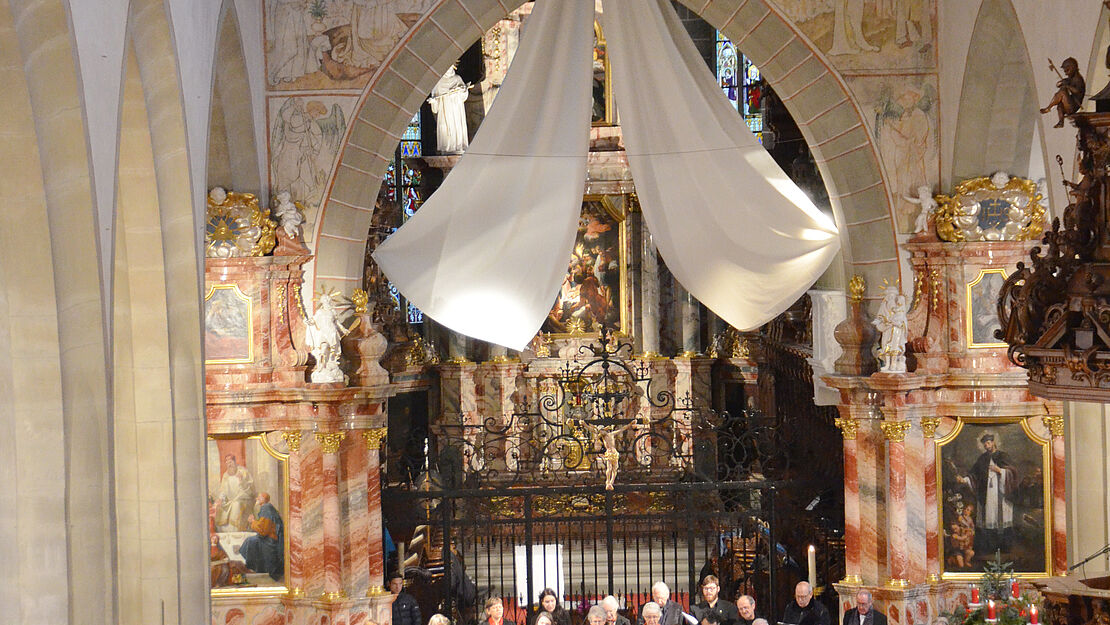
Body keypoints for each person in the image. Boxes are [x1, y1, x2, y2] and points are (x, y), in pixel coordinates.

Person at [958, 433, 1019, 554]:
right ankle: (987, 547)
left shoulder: (1003, 456)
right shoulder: (982, 458)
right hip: (986, 494)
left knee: (1000, 518)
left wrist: (1000, 470)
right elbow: (973, 475)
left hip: (1001, 494)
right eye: (984, 444)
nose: (986, 445)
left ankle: (1004, 546)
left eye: (988, 443)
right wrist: (964, 479)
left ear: (993, 442)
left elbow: (1013, 471)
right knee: (988, 518)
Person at [238, 492, 284, 580]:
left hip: (270, 540)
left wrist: (252, 521)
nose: (256, 499)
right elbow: (263, 525)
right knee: (251, 540)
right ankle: (255, 567)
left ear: (263, 500)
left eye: (258, 497)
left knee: (250, 541)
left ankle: (254, 568)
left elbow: (263, 530)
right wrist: (254, 522)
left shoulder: (266, 508)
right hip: (269, 538)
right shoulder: (267, 508)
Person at [1041, 57, 1085, 128]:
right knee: (1060, 105)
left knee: (1063, 92)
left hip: (1074, 105)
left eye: (1067, 70)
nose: (1066, 73)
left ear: (1073, 67)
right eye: (1065, 71)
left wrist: (1067, 86)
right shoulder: (1070, 79)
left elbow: (1077, 91)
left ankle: (1049, 108)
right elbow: (1058, 84)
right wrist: (1061, 83)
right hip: (1069, 104)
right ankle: (1061, 122)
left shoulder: (1078, 79)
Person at [215, 454, 255, 531]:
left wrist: (241, 480)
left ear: (235, 461)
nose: (229, 465)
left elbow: (250, 490)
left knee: (236, 505)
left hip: (244, 499)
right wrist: (220, 499)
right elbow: (223, 490)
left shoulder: (243, 472)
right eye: (227, 463)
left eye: (230, 462)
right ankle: (225, 532)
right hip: (230, 500)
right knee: (219, 507)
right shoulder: (226, 475)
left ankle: (236, 531)